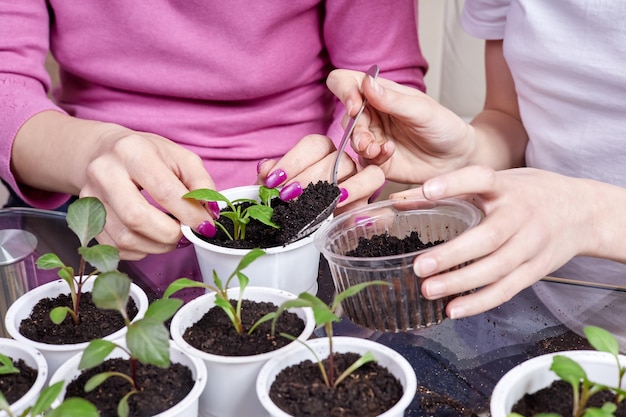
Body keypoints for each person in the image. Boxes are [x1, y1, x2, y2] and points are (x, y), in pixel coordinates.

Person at [0, 1, 427, 260]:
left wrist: (344, 160)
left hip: (293, 202)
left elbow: (380, 72)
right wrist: (89, 152)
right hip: (84, 188)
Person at [324, 1, 626, 320]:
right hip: (531, 296)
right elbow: (510, 116)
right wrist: (468, 152)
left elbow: (575, 210)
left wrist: (586, 213)